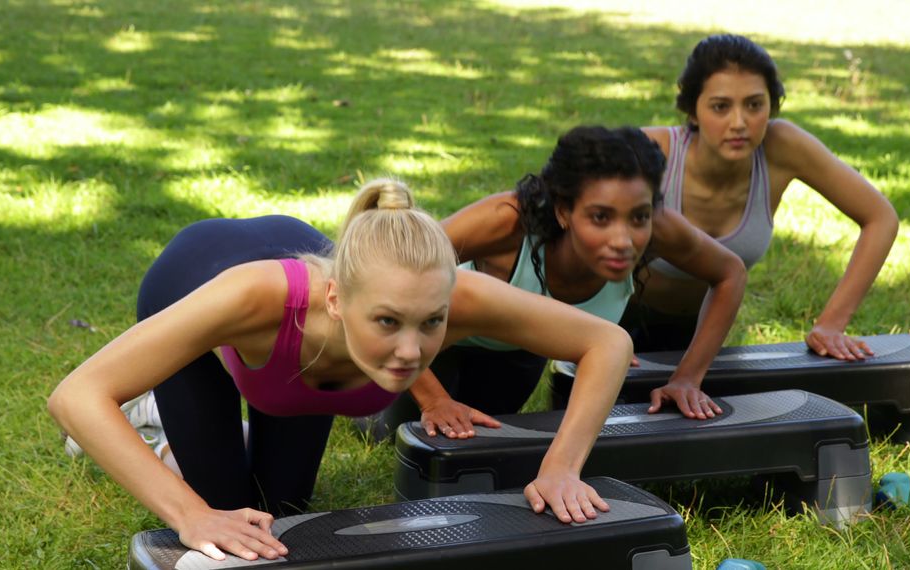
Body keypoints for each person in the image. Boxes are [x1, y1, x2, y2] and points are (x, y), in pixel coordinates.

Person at [48, 179, 634, 563]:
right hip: (199, 278)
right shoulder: (254, 301)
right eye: (386, 322)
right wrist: (189, 513)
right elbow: (76, 396)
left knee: (282, 510)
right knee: (222, 514)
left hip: (299, 364)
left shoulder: (451, 296)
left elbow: (606, 342)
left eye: (430, 322)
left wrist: (560, 468)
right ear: (336, 301)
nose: (410, 350)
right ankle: (151, 412)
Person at [359, 126, 746, 442]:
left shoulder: (654, 226)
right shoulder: (508, 221)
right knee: (393, 434)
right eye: (599, 217)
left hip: (518, 354)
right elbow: (397, 274)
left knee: (481, 438)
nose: (623, 239)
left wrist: (687, 377)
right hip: (434, 345)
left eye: (639, 217)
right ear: (563, 210)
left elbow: (730, 273)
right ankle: (360, 393)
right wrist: (434, 400)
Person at [622, 34, 898, 358]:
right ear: (693, 111)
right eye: (720, 107)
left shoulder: (783, 147)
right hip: (621, 319)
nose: (739, 123)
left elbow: (881, 217)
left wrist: (832, 324)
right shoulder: (648, 153)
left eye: (754, 105)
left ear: (771, 106)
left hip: (705, 333)